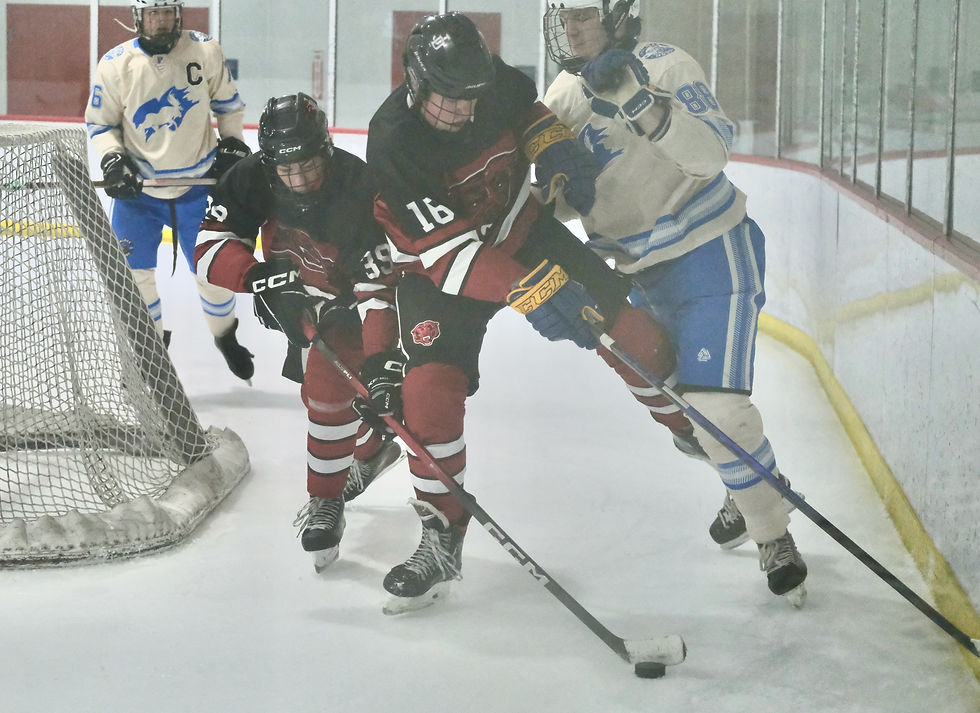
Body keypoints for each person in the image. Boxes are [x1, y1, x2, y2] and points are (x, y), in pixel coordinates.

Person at [365, 12, 693, 615]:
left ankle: (694, 426)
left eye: (470, 99)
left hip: (524, 229)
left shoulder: (492, 81)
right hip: (442, 272)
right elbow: (446, 253)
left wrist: (556, 152)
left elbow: (531, 116)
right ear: (415, 81)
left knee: (629, 329)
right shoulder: (392, 140)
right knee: (428, 391)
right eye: (447, 101)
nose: (462, 113)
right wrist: (533, 289)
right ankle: (442, 534)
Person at [542, 0, 806, 604]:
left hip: (711, 249)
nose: (572, 28)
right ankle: (755, 485)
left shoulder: (665, 64)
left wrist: (641, 104)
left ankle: (772, 532)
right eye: (565, 18)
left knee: (719, 410)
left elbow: (711, 154)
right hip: (635, 272)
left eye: (584, 15)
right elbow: (554, 204)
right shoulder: (560, 97)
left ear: (618, 14)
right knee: (688, 424)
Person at [193, 93, 404, 572]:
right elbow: (208, 247)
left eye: (309, 166)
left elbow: (379, 290)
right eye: (287, 170)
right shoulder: (251, 175)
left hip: (374, 300)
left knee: (362, 394)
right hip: (308, 304)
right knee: (324, 398)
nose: (301, 180)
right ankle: (358, 465)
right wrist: (257, 277)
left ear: (325, 149)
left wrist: (377, 362)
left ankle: (338, 485)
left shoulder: (360, 187)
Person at [85, 0, 254, 382]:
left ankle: (225, 336)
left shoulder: (204, 49)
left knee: (212, 272)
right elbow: (100, 124)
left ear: (178, 14)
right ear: (137, 18)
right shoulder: (115, 64)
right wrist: (114, 160)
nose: (160, 21)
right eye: (152, 14)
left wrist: (231, 143)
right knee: (134, 276)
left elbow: (229, 106)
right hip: (139, 193)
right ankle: (152, 349)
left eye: (167, 13)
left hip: (199, 188)